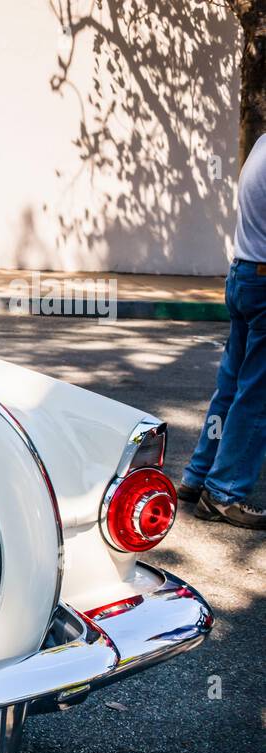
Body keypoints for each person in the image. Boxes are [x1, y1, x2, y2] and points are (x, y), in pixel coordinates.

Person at [180, 133, 266, 529]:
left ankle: (199, 477)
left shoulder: (261, 144)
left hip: (243, 273)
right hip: (262, 280)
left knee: (231, 386)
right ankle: (224, 492)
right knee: (257, 395)